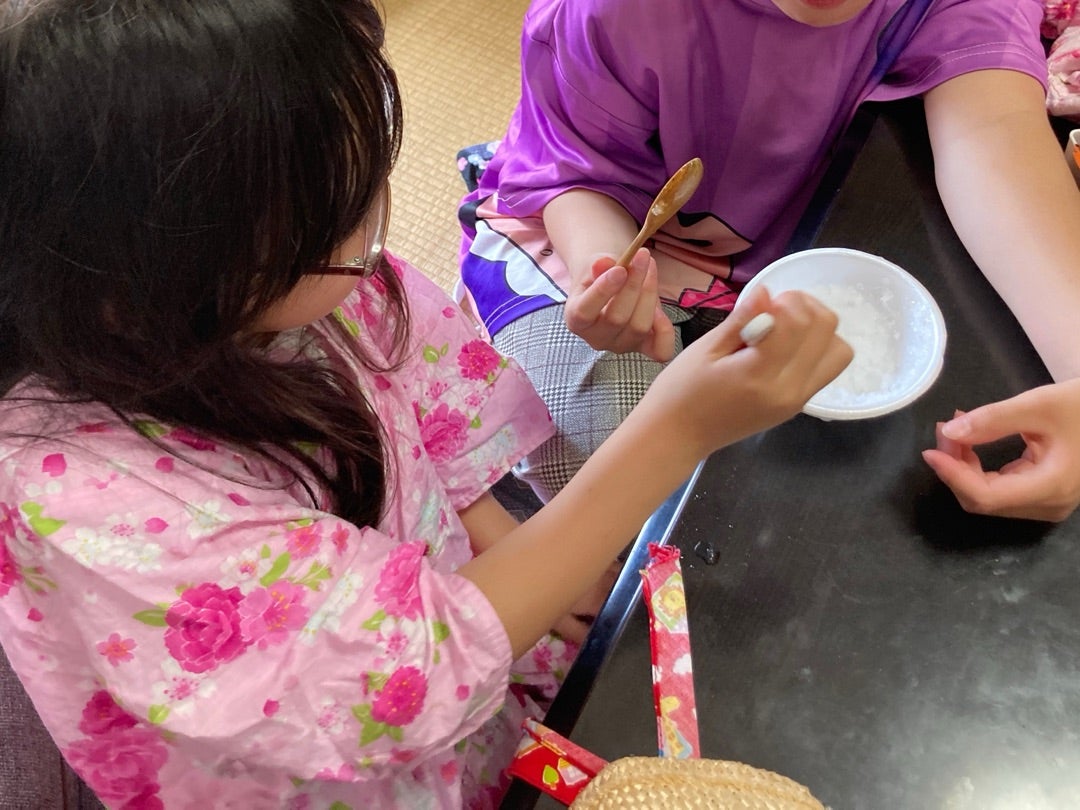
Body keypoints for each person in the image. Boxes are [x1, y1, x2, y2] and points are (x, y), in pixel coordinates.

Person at [0, 2, 851, 808]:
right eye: (341, 219)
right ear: (163, 271)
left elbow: (434, 399)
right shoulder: (87, 502)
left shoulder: (289, 287)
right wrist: (677, 428)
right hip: (328, 756)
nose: (375, 237)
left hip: (447, 629)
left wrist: (515, 552)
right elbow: (393, 682)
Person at [458, 0, 1080, 521]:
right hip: (568, 222)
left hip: (768, 236)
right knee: (644, 486)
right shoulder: (612, 12)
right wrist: (606, 271)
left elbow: (994, 134)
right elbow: (573, 170)